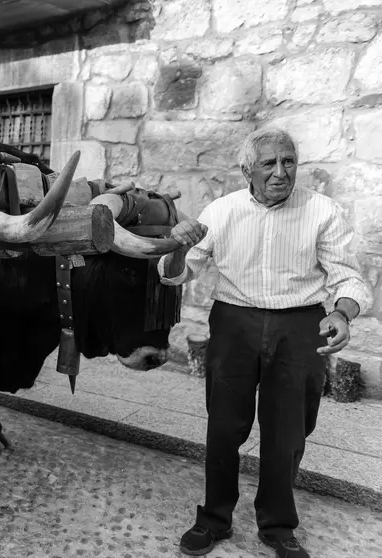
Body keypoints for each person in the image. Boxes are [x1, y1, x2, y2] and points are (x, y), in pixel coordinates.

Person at [159, 127, 373, 558]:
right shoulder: (221, 212)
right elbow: (178, 273)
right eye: (269, 163)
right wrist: (179, 248)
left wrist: (342, 311)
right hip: (234, 323)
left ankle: (277, 526)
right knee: (223, 427)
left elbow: (349, 276)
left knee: (288, 432)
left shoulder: (322, 210)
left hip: (300, 327)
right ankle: (214, 520)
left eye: (288, 161)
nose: (280, 172)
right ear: (247, 171)